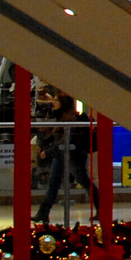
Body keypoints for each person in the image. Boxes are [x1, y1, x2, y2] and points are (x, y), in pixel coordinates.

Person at [33, 93, 98, 224]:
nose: (53, 103)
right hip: (61, 154)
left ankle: (101, 208)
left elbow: (65, 138)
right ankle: (43, 212)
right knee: (54, 183)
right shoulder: (59, 116)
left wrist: (49, 150)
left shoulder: (71, 118)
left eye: (56, 101)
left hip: (73, 154)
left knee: (82, 181)